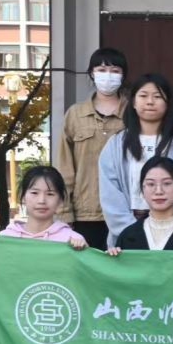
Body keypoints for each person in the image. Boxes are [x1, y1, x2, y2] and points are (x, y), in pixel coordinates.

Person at [98, 73, 173, 248]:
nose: (150, 102)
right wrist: (134, 234)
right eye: (143, 96)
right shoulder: (116, 144)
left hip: (171, 234)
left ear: (167, 103)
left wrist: (170, 229)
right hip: (126, 236)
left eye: (157, 96)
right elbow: (110, 195)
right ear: (133, 102)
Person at [56, 47, 128, 250]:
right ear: (91, 73)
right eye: (102, 70)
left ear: (123, 75)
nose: (108, 76)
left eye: (115, 71)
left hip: (126, 211)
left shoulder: (134, 112)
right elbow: (64, 167)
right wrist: (64, 213)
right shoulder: (75, 114)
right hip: (85, 213)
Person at [0, 166, 87, 256]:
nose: (42, 200)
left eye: (50, 194)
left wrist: (85, 254)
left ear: (60, 200)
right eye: (34, 193)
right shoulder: (4, 239)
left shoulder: (72, 240)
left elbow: (86, 282)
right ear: (23, 197)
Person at [107, 157, 173, 253]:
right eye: (151, 184)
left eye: (167, 183)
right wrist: (113, 260)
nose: (159, 191)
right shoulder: (127, 236)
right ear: (142, 190)